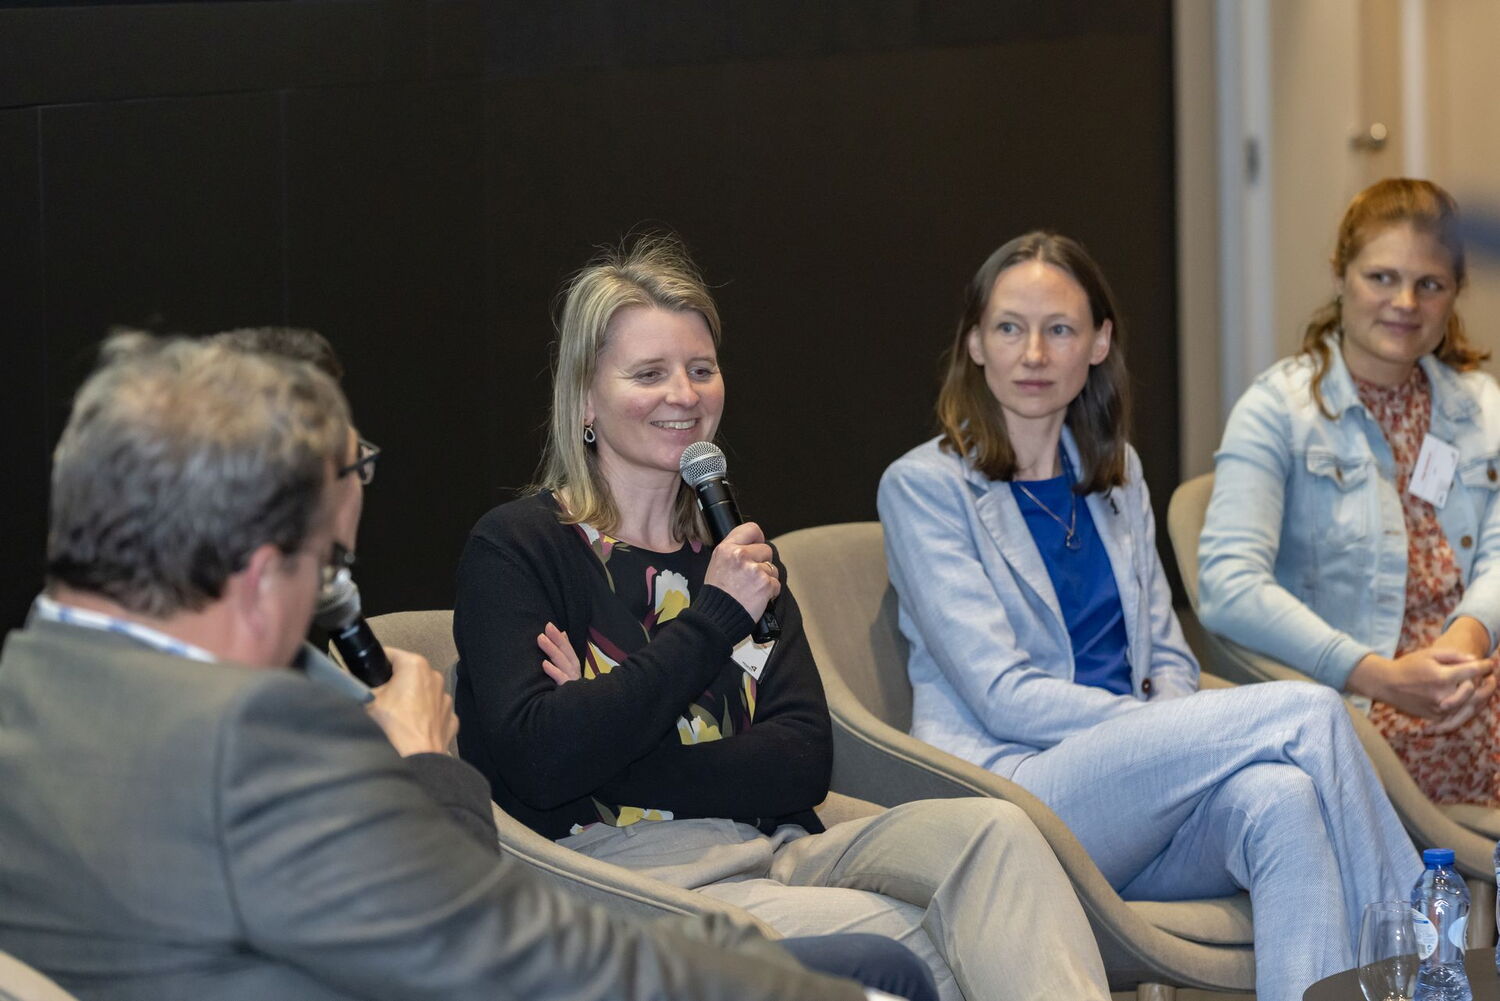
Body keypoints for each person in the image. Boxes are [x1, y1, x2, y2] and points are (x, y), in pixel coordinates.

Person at [0, 333, 920, 1001]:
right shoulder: (250, 747)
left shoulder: (29, 688)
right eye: (327, 569)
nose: (332, 604)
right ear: (253, 579)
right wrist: (428, 765)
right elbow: (487, 951)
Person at [453, 234, 1113, 1001]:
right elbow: (539, 761)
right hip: (634, 874)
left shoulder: (735, 551)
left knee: (998, 833)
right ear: (586, 399)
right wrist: (713, 621)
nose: (685, 394)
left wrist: (608, 738)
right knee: (942, 956)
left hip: (780, 845)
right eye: (649, 374)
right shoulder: (521, 548)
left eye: (702, 369)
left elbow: (800, 760)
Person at [876, 231, 1421, 1001]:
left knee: (1283, 800)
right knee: (1308, 711)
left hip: (1134, 793)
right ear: (974, 342)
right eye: (1008, 327)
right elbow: (1002, 694)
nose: (1033, 351)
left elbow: (1166, 651)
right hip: (1015, 787)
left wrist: (1168, 726)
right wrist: (1153, 729)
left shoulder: (1115, 470)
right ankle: (1429, 971)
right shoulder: (923, 486)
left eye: (1059, 328)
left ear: (1098, 343)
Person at [1199, 177, 1500, 805]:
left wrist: (1465, 639)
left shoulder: (1481, 406)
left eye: (1430, 285)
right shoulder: (1277, 409)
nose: (1405, 303)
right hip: (1358, 706)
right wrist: (1382, 675)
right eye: (1381, 277)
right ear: (1340, 276)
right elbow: (1229, 588)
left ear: (1455, 296)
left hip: (1472, 677)